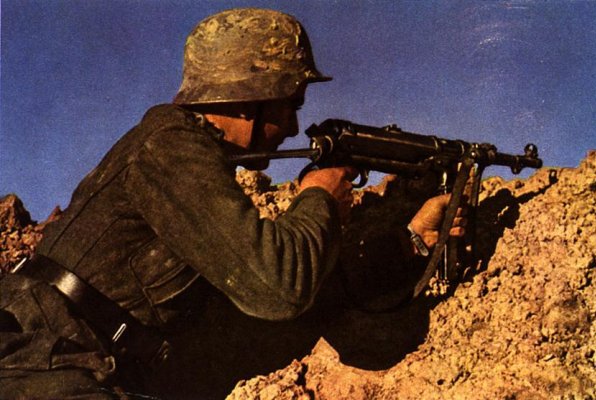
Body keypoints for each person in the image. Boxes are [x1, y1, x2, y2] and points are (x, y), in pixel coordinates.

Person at [0, 8, 466, 399]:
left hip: (80, 367)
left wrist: (408, 243)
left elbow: (271, 313)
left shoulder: (190, 169)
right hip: (38, 368)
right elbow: (279, 288)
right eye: (291, 104)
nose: (293, 127)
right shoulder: (169, 145)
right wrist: (319, 197)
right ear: (249, 98)